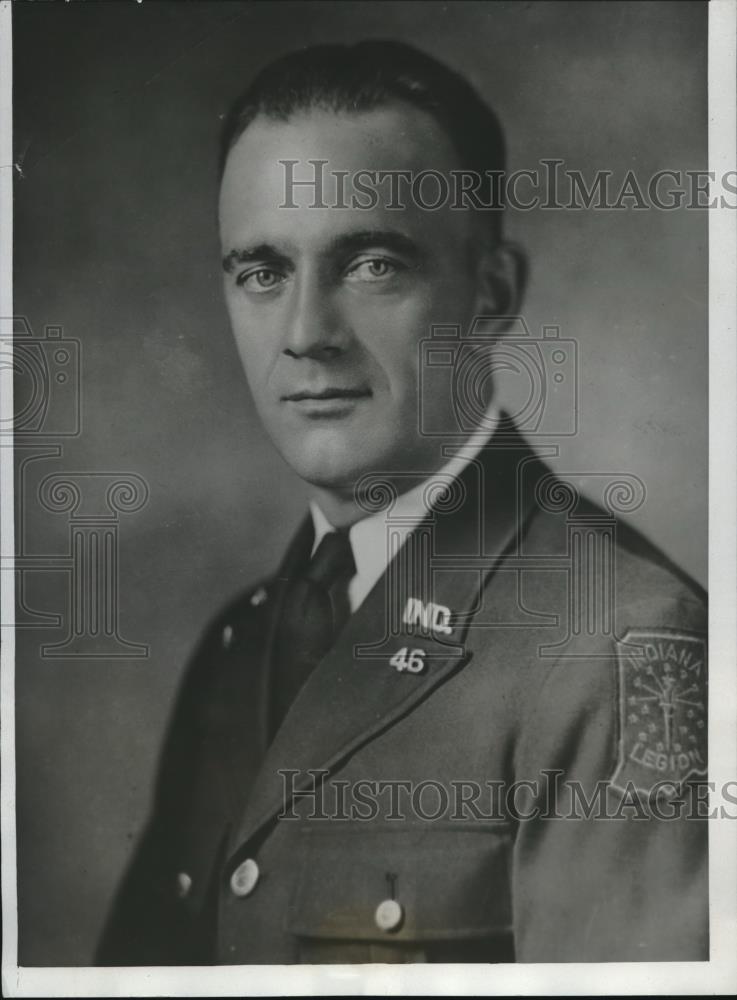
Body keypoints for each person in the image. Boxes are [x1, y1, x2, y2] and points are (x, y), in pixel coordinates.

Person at [96, 39, 708, 965]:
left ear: (490, 294)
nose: (305, 334)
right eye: (262, 272)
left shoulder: (610, 648)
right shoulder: (242, 644)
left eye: (371, 264)